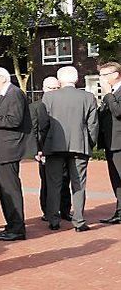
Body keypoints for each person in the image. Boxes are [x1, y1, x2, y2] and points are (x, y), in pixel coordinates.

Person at [39, 66, 98, 232]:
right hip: (79, 145)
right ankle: (79, 220)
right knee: (79, 184)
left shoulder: (49, 97)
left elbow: (43, 125)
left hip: (54, 146)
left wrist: (44, 144)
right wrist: (90, 144)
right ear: (77, 79)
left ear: (59, 80)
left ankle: (53, 219)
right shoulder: (88, 97)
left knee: (53, 184)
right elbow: (93, 124)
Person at [0, 67, 33, 241]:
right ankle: (12, 224)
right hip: (2, 151)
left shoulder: (14, 94)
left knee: (10, 190)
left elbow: (14, 120)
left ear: (2, 78)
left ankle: (17, 228)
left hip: (8, 151)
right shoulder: (7, 95)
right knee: (5, 190)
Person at [32, 77, 71, 224]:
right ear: (43, 89)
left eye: (56, 88)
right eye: (50, 88)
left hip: (64, 149)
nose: (53, 91)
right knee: (47, 182)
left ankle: (65, 210)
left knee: (65, 180)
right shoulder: (35, 107)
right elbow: (34, 130)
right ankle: (47, 211)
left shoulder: (64, 104)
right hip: (45, 151)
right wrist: (37, 150)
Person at [98, 61, 121, 225]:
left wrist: (107, 94)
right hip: (110, 143)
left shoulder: (112, 94)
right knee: (116, 180)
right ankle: (119, 212)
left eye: (104, 75)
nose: (101, 79)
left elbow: (118, 112)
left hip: (120, 143)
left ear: (115, 75)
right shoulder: (111, 93)